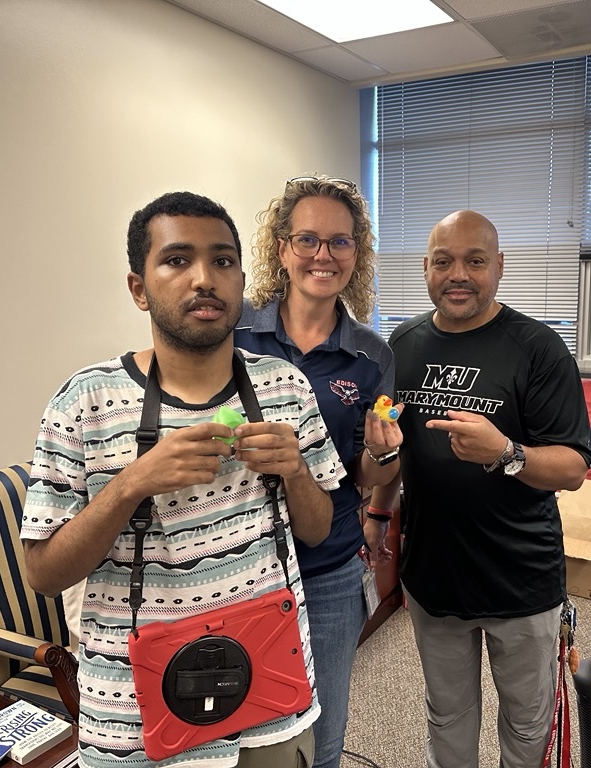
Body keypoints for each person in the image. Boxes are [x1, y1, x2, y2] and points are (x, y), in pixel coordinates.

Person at [21, 191, 346, 768]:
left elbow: (317, 530)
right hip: (135, 723)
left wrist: (295, 469)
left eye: (222, 261)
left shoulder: (285, 388)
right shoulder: (85, 404)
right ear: (138, 288)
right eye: (177, 260)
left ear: (242, 279)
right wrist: (131, 483)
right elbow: (45, 573)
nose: (204, 278)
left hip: (271, 699)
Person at [369, 210, 591, 768]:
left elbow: (571, 469)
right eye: (443, 261)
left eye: (475, 260)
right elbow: (396, 445)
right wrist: (377, 513)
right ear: (425, 268)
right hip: (433, 574)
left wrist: (506, 454)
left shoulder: (538, 348)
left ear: (499, 267)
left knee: (526, 720)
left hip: (519, 579)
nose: (458, 274)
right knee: (446, 715)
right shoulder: (404, 343)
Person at [234, 175, 403, 768]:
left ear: (356, 254)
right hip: (240, 564)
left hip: (328, 569)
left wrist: (385, 453)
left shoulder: (371, 355)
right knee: (242, 731)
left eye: (339, 242)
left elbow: (369, 475)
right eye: (307, 240)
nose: (322, 255)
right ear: (281, 248)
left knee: (323, 738)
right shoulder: (235, 332)